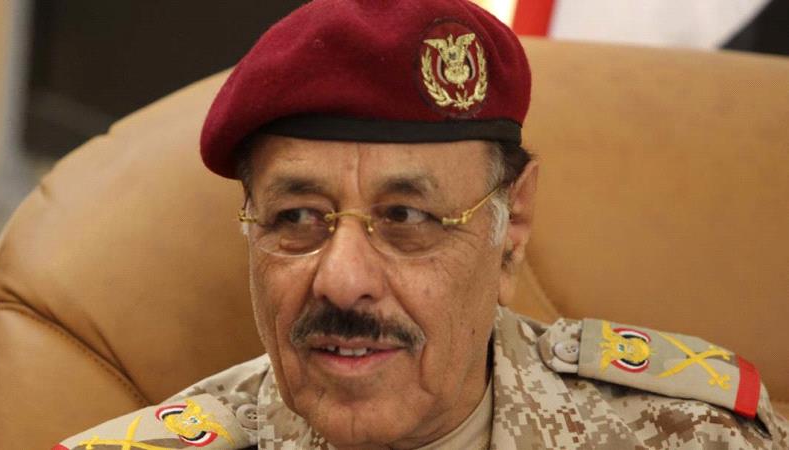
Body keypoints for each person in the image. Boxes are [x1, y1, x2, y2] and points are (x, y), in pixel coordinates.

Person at [54, 1, 789, 449]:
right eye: (297, 218)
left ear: (512, 225)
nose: (342, 280)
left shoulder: (691, 437)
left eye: (406, 217)